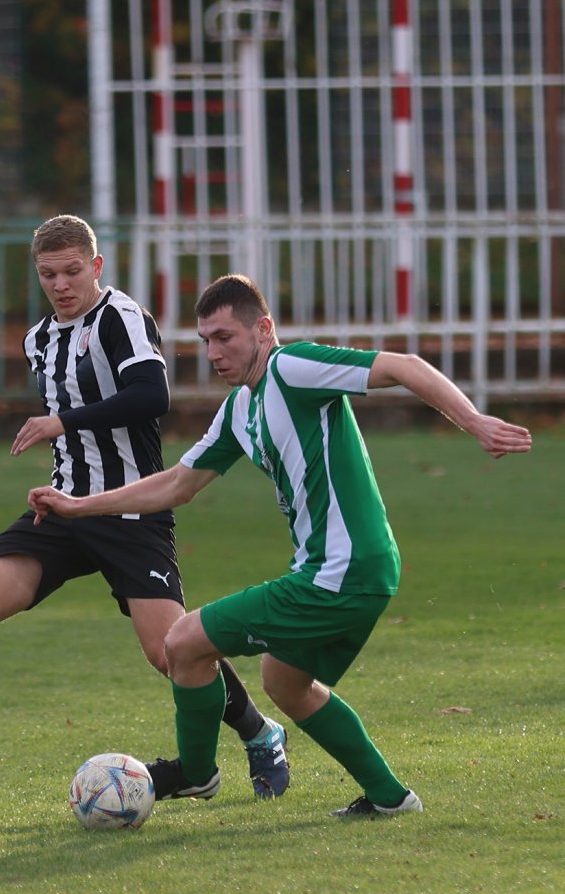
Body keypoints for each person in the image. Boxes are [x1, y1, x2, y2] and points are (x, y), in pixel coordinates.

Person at [0, 215, 290, 797]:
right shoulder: (37, 339)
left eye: (72, 271)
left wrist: (63, 421)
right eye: (48, 275)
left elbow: (152, 395)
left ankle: (261, 734)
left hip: (130, 510)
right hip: (62, 510)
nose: (61, 284)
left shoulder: (121, 317)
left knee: (171, 651)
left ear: (96, 267)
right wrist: (64, 464)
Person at [29, 273, 532, 817]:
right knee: (286, 683)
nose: (214, 353)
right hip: (347, 570)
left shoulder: (292, 368)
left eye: (225, 337)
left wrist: (474, 421)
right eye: (205, 341)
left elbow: (404, 366)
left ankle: (196, 773)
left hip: (341, 570)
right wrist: (78, 505)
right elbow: (178, 485)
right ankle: (390, 798)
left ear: (263, 329)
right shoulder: (239, 409)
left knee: (184, 642)